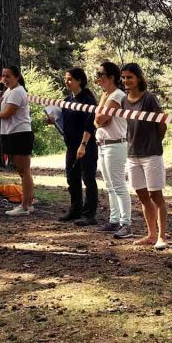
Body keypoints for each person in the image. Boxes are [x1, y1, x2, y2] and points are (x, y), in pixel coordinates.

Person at [121, 63, 168, 249]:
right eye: (123, 77)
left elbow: (161, 124)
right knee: (142, 195)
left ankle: (162, 236)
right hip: (133, 154)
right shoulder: (124, 100)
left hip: (151, 154)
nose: (125, 81)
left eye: (129, 77)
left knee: (156, 195)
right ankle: (151, 234)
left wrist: (155, 141)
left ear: (138, 78)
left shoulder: (149, 98)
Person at [0, 65, 35, 217]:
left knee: (24, 171)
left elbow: (6, 113)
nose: (4, 79)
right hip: (11, 133)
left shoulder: (18, 92)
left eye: (8, 76)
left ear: (17, 77)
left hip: (20, 133)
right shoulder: (9, 91)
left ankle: (25, 205)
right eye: (3, 76)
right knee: (21, 170)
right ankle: (27, 202)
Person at [49, 67, 98, 225]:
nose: (67, 82)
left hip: (86, 145)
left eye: (70, 79)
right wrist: (53, 120)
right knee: (72, 178)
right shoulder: (67, 100)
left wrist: (83, 145)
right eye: (66, 79)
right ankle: (75, 209)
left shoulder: (88, 100)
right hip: (70, 145)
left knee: (88, 179)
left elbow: (90, 125)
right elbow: (63, 120)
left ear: (79, 81)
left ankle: (89, 214)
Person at [93, 61, 133, 238]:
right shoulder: (107, 95)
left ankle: (126, 223)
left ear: (111, 77)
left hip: (115, 144)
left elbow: (102, 120)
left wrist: (98, 118)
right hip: (103, 144)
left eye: (101, 75)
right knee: (110, 186)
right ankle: (114, 219)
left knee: (118, 185)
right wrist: (98, 117)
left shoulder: (116, 96)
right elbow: (98, 119)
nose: (98, 78)